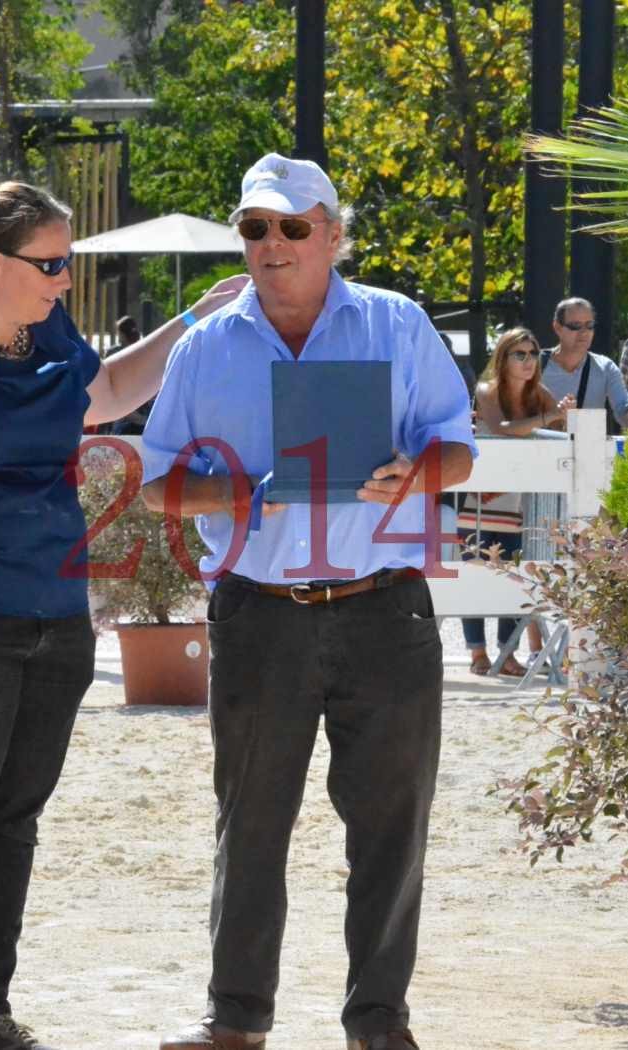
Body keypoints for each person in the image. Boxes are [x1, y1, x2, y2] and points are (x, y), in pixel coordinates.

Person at [0, 170, 247, 1050]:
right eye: (54, 264)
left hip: (54, 611)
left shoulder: (47, 330)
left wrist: (191, 323)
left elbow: (98, 397)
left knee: (11, 821)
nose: (67, 280)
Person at [144, 153, 475, 1050]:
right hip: (257, 612)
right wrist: (230, 494)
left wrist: (416, 473)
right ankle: (235, 1021)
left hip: (385, 610)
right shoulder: (202, 347)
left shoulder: (398, 326)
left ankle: (378, 1024)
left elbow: (458, 449)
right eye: (255, 227)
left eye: (293, 226)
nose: (272, 244)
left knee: (388, 828)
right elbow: (153, 482)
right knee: (248, 824)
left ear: (332, 235)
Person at [458, 327, 570, 676]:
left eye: (533, 353)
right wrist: (547, 418)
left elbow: (562, 425)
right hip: (482, 501)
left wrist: (560, 414)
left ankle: (507, 653)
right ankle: (477, 653)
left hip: (521, 504)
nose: (527, 361)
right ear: (503, 358)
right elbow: (503, 427)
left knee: (516, 582)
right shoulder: (486, 390)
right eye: (519, 354)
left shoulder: (540, 394)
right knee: (473, 580)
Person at [541, 297, 628, 433]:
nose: (584, 332)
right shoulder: (535, 365)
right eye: (575, 326)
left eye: (590, 325)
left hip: (587, 451)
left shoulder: (605, 367)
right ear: (557, 327)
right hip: (536, 450)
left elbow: (623, 411)